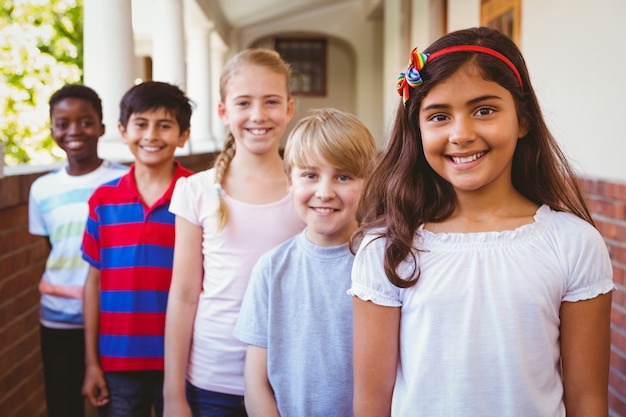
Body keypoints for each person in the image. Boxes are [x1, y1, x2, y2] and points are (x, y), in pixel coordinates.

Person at [349, 26, 614, 417]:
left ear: (522, 121)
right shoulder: (389, 249)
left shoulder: (573, 243)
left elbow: (587, 400)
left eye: (484, 110)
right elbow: (372, 402)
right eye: (439, 116)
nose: (461, 134)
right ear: (417, 130)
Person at [162, 48, 305, 417]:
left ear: (289, 109)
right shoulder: (195, 190)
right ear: (223, 111)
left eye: (271, 102)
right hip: (213, 378)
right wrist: (172, 395)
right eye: (244, 103)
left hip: (290, 374)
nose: (258, 115)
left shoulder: (309, 191)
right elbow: (183, 295)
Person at [233, 108, 377, 416]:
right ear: (290, 181)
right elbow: (255, 383)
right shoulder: (271, 269)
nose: (324, 192)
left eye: (343, 176)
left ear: (368, 181)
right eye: (310, 175)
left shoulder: (382, 263)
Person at [81, 80, 194, 417]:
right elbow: (92, 282)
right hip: (117, 359)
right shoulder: (103, 199)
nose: (151, 135)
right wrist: (91, 363)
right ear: (122, 130)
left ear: (184, 135)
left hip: (184, 358)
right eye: (141, 124)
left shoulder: (197, 195)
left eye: (165, 125)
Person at [28, 84, 128, 417]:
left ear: (101, 126)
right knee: (63, 404)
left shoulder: (124, 181)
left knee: (117, 406)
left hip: (114, 316)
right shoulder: (42, 189)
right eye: (63, 123)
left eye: (85, 122)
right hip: (59, 318)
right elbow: (53, 248)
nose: (74, 131)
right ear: (52, 129)